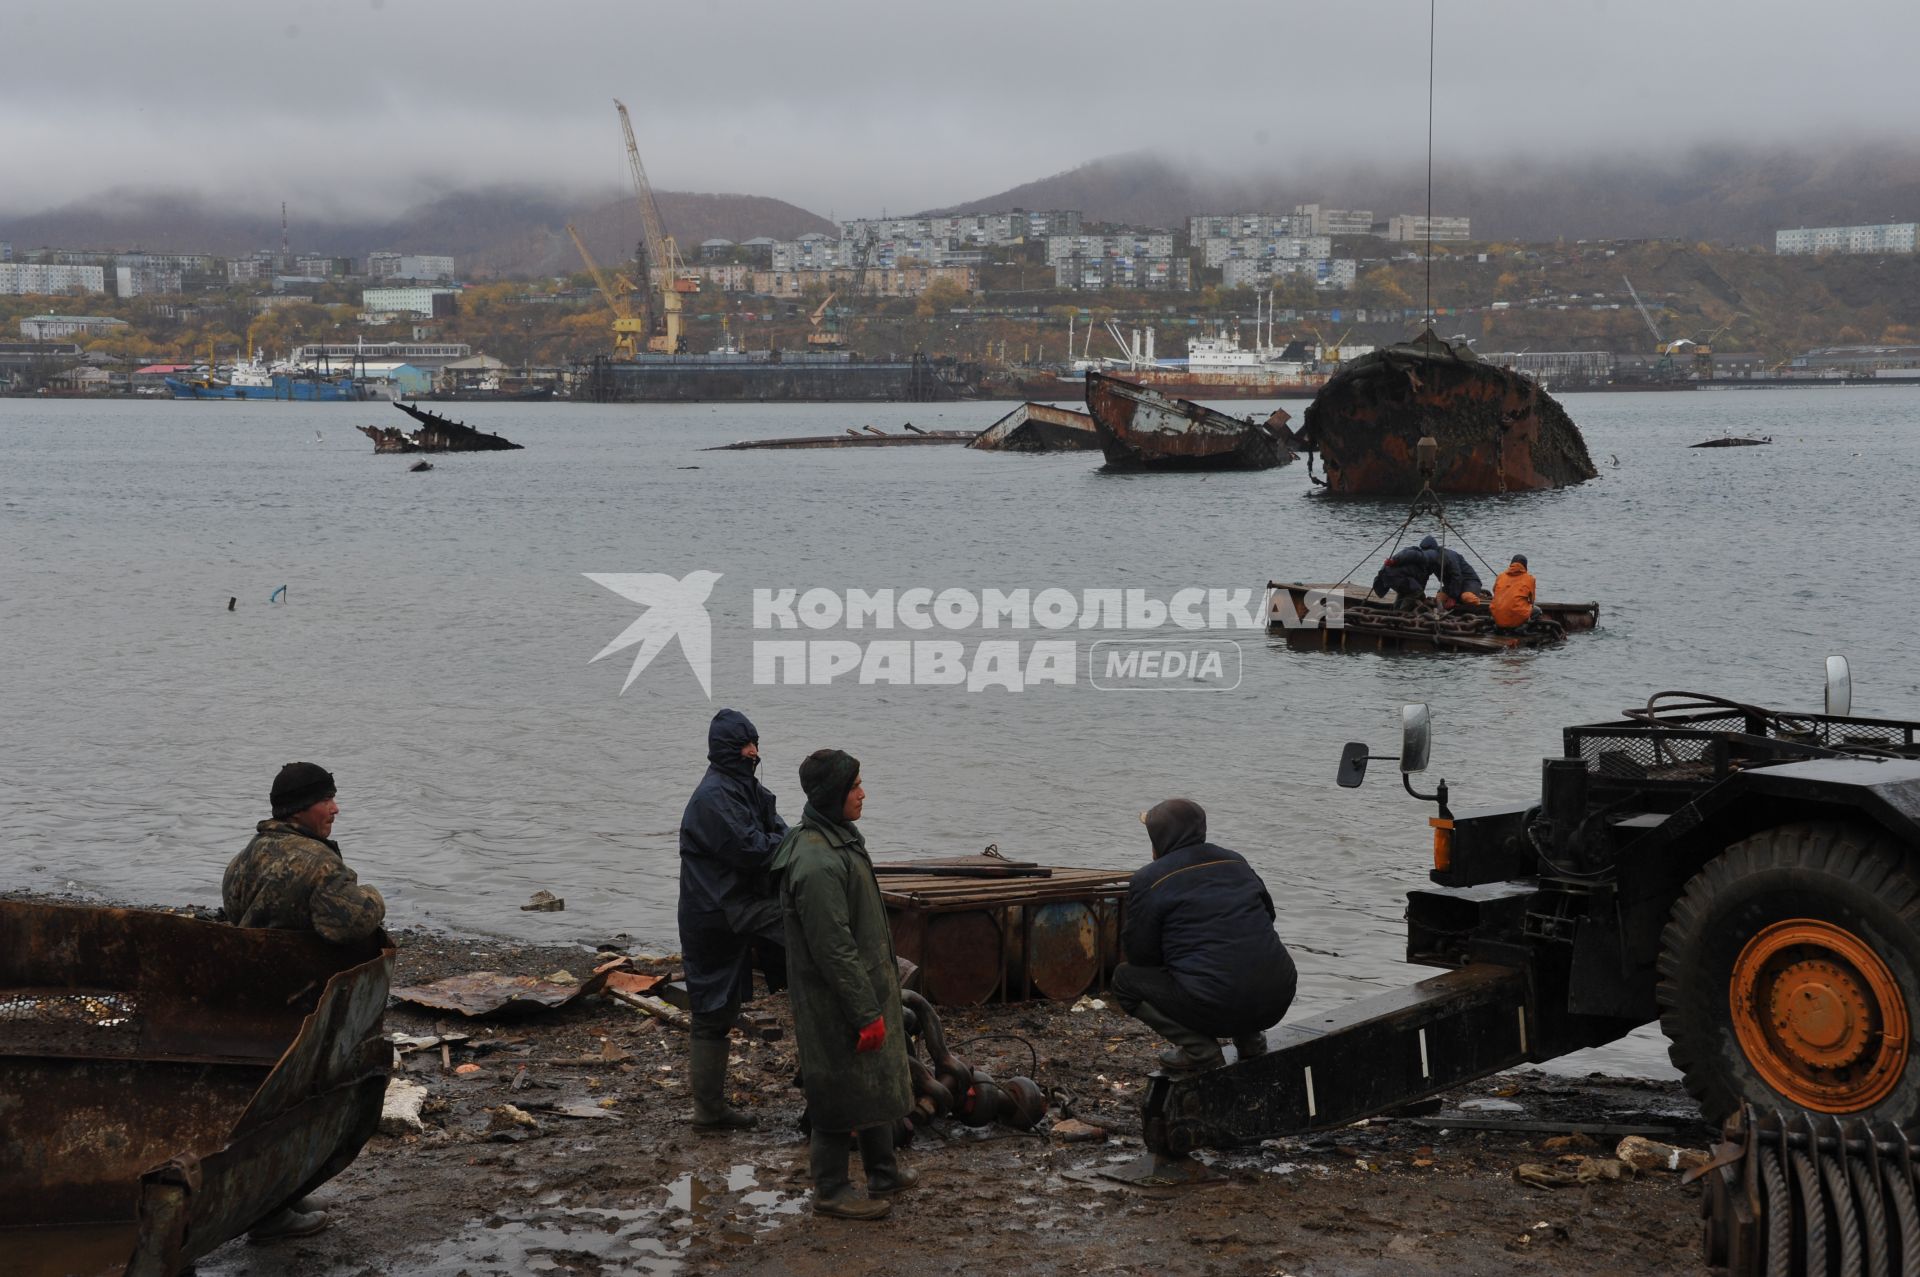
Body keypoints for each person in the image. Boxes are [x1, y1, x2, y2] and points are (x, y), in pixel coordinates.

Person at [221, 761, 387, 1243]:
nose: (335, 808)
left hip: (248, 1002)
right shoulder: (318, 865)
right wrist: (374, 895)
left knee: (262, 1108)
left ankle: (282, 1194)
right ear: (301, 808)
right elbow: (350, 923)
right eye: (327, 800)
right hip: (298, 1007)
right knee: (289, 1110)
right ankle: (270, 1212)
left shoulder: (244, 858)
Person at [769, 749, 914, 1220]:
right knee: (838, 1089)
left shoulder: (841, 841)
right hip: (836, 999)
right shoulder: (815, 862)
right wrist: (864, 1010)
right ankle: (830, 1189)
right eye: (855, 786)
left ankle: (883, 1172)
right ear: (833, 794)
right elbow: (833, 949)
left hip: (865, 988)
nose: (863, 793)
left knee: (872, 1080)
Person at [1111, 799, 1296, 1072]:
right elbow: (1267, 917)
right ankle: (1251, 1040)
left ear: (1159, 839)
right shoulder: (1236, 861)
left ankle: (1200, 1050)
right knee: (1237, 960)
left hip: (1216, 1004)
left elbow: (1140, 954)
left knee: (1124, 981)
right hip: (1278, 994)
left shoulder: (1149, 879)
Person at [678, 708, 789, 1131]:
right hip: (714, 912)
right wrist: (782, 840)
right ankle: (708, 1111)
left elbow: (779, 832)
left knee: (721, 1008)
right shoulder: (713, 798)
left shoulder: (748, 789)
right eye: (745, 745)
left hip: (738, 903)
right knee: (711, 1009)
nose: (754, 751)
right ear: (726, 749)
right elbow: (756, 849)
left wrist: (782, 839)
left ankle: (712, 1110)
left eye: (755, 743)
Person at [1419, 535, 1485, 607]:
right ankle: (1459, 596)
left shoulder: (1448, 557)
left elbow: (1457, 577)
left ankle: (1479, 600)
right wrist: (1421, 595)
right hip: (1451, 586)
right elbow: (1424, 576)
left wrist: (1452, 598)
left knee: (1467, 598)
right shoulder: (1429, 559)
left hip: (1469, 582)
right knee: (1439, 597)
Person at [1369, 544, 1434, 606]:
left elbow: (1422, 583)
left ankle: (1396, 610)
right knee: (1415, 591)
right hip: (1395, 576)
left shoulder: (1418, 559)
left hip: (1389, 575)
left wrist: (1423, 597)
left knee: (1405, 591)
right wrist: (1393, 561)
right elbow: (1409, 555)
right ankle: (1402, 611)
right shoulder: (1421, 556)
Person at [1491, 553, 1538, 629]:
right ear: (1525, 566)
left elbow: (1494, 591)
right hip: (1518, 617)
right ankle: (1521, 629)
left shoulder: (1500, 576)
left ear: (1511, 564)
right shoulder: (1530, 579)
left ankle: (1499, 626)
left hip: (1498, 615)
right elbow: (1532, 600)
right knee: (1537, 611)